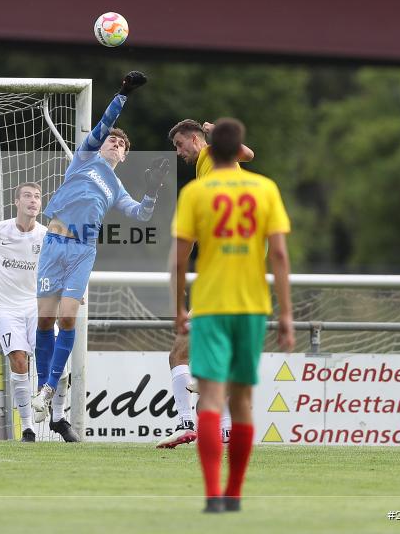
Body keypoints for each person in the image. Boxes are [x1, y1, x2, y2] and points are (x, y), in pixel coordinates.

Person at [31, 71, 166, 444]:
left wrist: (152, 191)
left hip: (83, 251)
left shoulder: (117, 186)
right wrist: (122, 95)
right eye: (112, 139)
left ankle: (45, 391)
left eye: (121, 143)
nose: (114, 141)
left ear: (125, 155)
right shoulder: (84, 158)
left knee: (68, 317)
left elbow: (140, 214)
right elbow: (104, 124)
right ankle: (45, 386)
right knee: (45, 322)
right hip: (55, 245)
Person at [170, 118, 294, 513]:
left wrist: (178, 307)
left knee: (208, 398)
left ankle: (211, 494)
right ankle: (235, 493)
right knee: (240, 401)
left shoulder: (196, 190)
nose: (181, 154)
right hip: (252, 304)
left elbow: (178, 258)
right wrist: (287, 313)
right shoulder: (265, 188)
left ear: (203, 142)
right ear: (239, 149)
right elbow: (278, 255)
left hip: (210, 302)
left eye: (180, 146)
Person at [156, 119, 255, 449]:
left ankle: (196, 419)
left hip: (232, 266)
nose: (178, 152)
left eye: (180, 144)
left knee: (184, 352)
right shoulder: (206, 170)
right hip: (234, 265)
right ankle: (210, 424)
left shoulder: (211, 154)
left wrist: (216, 136)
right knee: (184, 353)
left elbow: (247, 152)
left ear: (195, 138)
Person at [0, 182, 50, 442]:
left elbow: (61, 262)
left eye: (37, 197)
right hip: (5, 307)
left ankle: (55, 412)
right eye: (27, 196)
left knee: (49, 356)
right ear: (17, 202)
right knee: (18, 359)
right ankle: (27, 427)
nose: (33, 200)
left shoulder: (45, 235)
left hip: (36, 305)